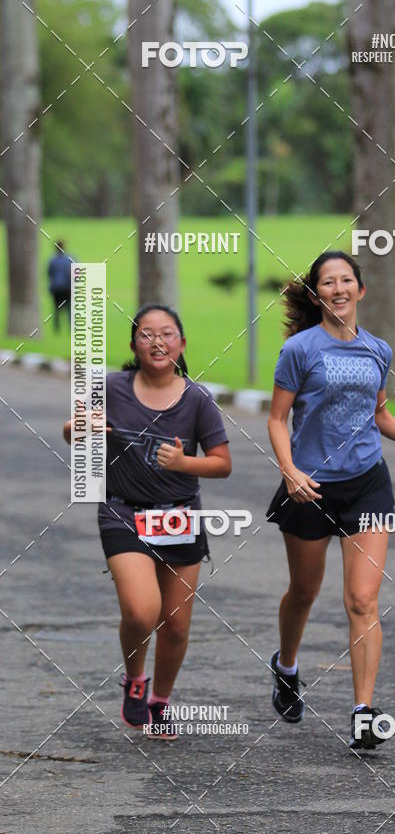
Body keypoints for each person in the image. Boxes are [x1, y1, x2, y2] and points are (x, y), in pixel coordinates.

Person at [266, 251, 395, 750]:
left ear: (361, 290)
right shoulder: (300, 349)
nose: (338, 288)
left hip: (366, 483)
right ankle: (286, 665)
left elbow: (378, 415)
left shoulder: (378, 350)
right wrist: (291, 470)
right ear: (318, 293)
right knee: (303, 591)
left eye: (347, 280)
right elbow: (277, 420)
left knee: (362, 599)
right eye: (328, 281)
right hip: (309, 485)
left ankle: (363, 712)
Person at [62, 304, 231, 739]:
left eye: (168, 333)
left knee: (175, 625)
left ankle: (160, 702)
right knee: (142, 609)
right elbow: (70, 430)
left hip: (179, 519)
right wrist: (84, 425)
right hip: (123, 511)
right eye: (147, 334)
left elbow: (222, 464)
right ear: (134, 346)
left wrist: (182, 462)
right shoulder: (110, 387)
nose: (158, 341)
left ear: (182, 343)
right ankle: (135, 679)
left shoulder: (197, 399)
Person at [48, 241, 76, 332]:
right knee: (69, 309)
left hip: (56, 288)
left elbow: (50, 274)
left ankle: (57, 329)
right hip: (68, 288)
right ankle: (71, 328)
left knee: (56, 309)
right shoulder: (70, 258)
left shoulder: (52, 260)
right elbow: (76, 272)